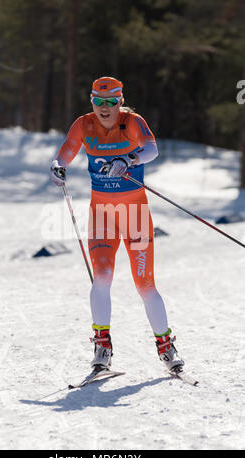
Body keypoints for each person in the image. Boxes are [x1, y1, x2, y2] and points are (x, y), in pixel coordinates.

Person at [50, 76, 184, 373]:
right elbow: (68, 149)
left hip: (135, 213)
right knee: (102, 278)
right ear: (92, 101)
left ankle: (166, 347)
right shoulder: (83, 124)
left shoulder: (133, 122)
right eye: (99, 101)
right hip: (102, 215)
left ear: (120, 101)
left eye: (111, 102)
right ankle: (102, 347)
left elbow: (152, 149)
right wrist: (58, 165)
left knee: (145, 284)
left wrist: (129, 158)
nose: (105, 108)